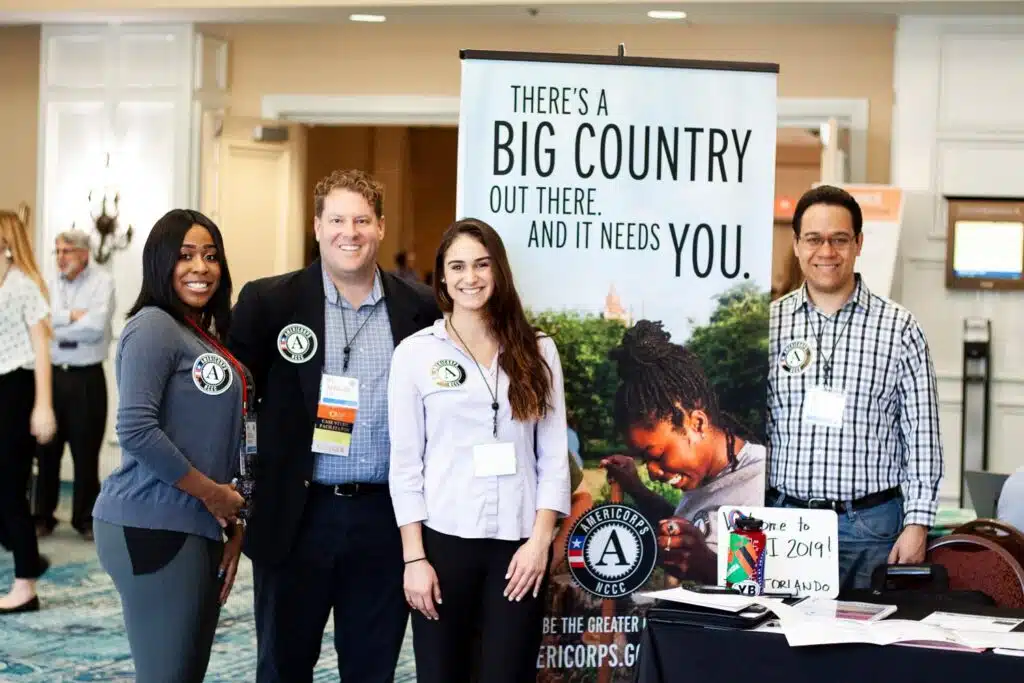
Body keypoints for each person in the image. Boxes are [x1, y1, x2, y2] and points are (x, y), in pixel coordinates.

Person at [227, 169, 440, 682]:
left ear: (381, 227)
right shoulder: (269, 303)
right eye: (338, 219)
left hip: (383, 521)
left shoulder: (420, 310)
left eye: (362, 220)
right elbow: (232, 401)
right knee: (283, 667)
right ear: (317, 226)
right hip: (297, 516)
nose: (351, 232)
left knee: (371, 669)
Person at [388, 217, 571, 683]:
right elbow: (406, 465)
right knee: (441, 673)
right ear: (442, 278)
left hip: (518, 548)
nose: (470, 277)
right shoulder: (415, 353)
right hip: (443, 542)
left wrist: (539, 543)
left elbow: (552, 457)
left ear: (498, 271)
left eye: (482, 264)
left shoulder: (538, 350)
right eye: (458, 266)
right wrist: (415, 559)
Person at [91, 209, 251, 680]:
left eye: (210, 255)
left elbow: (227, 437)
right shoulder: (154, 326)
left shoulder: (201, 334)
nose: (200, 267)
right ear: (161, 263)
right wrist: (213, 494)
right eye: (185, 256)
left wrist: (233, 518)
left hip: (199, 523)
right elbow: (136, 429)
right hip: (152, 522)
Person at [767, 184, 943, 592]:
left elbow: (922, 438)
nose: (826, 251)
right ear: (796, 245)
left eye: (839, 239)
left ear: (858, 243)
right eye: (813, 239)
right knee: (775, 651)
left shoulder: (901, 328)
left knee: (867, 654)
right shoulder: (767, 326)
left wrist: (917, 524)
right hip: (783, 525)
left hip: (872, 530)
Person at [601, 320, 766, 584]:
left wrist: (707, 566)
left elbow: (774, 583)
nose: (653, 472)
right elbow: (687, 520)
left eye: (656, 455)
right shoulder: (705, 480)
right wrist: (636, 489)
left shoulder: (760, 481)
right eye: (645, 461)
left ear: (696, 423)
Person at [34, 229, 116, 540]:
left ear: (84, 254)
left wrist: (57, 323)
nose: (60, 257)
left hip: (86, 378)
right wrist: (71, 316)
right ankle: (43, 516)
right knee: (46, 449)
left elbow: (95, 328)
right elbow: (40, 322)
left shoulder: (102, 281)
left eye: (67, 251)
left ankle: (84, 518)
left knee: (86, 451)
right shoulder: (47, 282)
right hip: (51, 374)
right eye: (57, 251)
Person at [0, 207, 56, 614]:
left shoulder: (22, 285)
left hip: (16, 390)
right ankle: (29, 556)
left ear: (6, 245)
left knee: (9, 491)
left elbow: (41, 348)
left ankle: (26, 587)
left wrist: (43, 405)